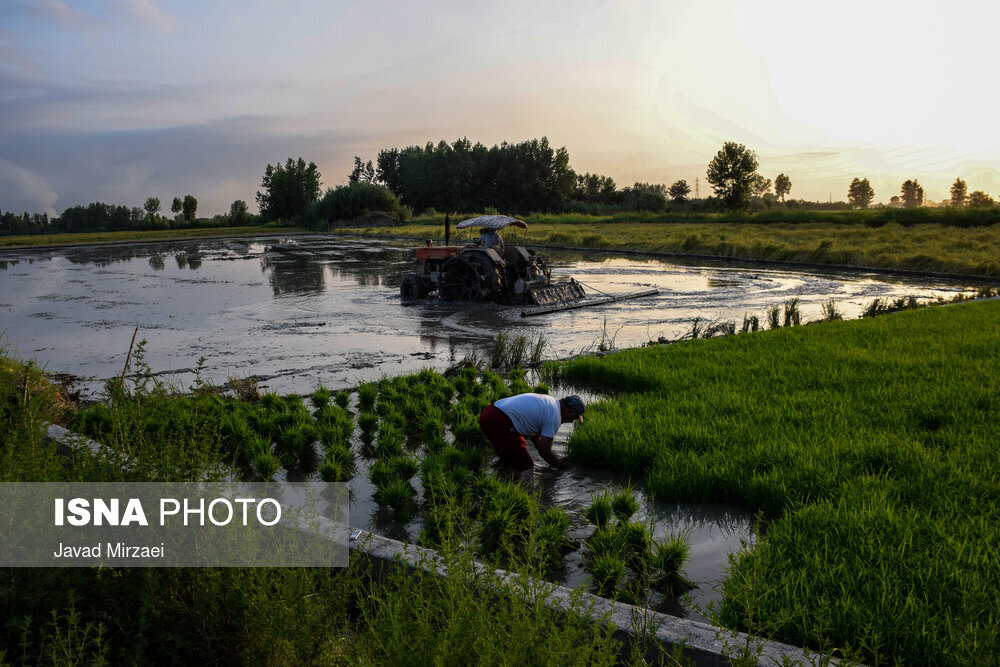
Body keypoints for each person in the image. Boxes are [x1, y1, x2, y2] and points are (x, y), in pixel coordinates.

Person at [478, 393, 584, 481]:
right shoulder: (554, 417)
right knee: (527, 465)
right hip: (498, 421)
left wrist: (551, 459)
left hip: (490, 412)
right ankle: (526, 496)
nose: (571, 421)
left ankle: (502, 480)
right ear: (569, 411)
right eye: (574, 418)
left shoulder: (551, 402)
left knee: (517, 449)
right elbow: (544, 451)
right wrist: (561, 465)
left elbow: (535, 439)